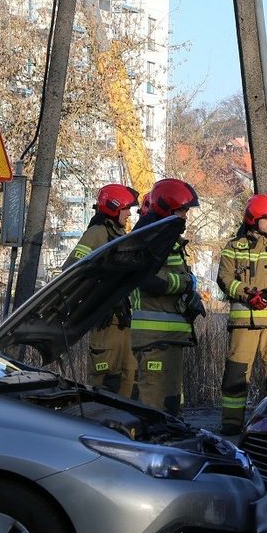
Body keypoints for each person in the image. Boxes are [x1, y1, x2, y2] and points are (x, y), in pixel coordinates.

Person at [216, 194, 267, 435]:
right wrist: (245, 293)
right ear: (253, 220)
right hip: (243, 324)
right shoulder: (233, 247)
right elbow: (224, 278)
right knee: (236, 374)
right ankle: (231, 424)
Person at [130, 178, 202, 415]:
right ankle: (149, 449)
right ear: (168, 208)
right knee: (153, 404)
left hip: (167, 336)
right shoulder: (152, 237)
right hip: (154, 337)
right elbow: (151, 280)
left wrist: (191, 294)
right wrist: (185, 283)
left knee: (170, 403)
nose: (186, 216)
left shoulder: (165, 237)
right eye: (182, 210)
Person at [63, 184, 139, 396]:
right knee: (106, 380)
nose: (129, 213)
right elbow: (72, 268)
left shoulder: (121, 235)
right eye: (126, 209)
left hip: (123, 320)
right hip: (104, 318)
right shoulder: (97, 233)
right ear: (115, 207)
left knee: (128, 377)